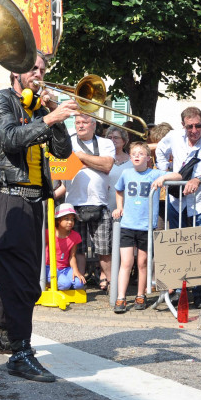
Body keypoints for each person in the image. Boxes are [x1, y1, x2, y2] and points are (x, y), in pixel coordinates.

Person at [0, 52, 78, 377]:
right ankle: (20, 352)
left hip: (35, 200)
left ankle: (1, 337)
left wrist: (55, 114)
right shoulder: (1, 100)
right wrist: (48, 120)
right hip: (11, 197)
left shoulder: (39, 107)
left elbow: (62, 152)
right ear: (15, 72)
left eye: (42, 69)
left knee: (17, 276)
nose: (38, 74)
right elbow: (9, 140)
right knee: (23, 280)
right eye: (32, 69)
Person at [112, 142, 181, 313]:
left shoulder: (154, 173)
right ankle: (121, 297)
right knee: (126, 262)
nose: (136, 156)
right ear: (130, 157)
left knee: (142, 263)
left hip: (146, 226)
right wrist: (119, 207)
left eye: (141, 154)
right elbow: (118, 190)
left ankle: (140, 295)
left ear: (148, 159)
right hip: (128, 224)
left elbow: (178, 176)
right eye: (134, 153)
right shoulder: (126, 173)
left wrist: (163, 178)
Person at [64, 114, 115, 291]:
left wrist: (80, 157)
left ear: (93, 125)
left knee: (104, 249)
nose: (80, 125)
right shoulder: (67, 140)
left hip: (99, 203)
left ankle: (113, 286)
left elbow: (107, 165)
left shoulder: (105, 143)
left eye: (84, 122)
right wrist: (94, 162)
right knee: (77, 249)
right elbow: (63, 167)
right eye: (77, 122)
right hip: (73, 204)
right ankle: (79, 285)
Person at [155, 107, 201, 228]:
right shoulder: (174, 136)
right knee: (177, 242)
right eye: (189, 127)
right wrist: (165, 172)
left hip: (200, 202)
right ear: (183, 125)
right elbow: (160, 150)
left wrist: (197, 180)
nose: (194, 130)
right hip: (176, 201)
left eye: (198, 126)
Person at [47, 203, 87, 291]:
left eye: (72, 219)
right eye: (66, 219)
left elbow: (72, 256)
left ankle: (63, 284)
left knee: (79, 284)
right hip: (48, 268)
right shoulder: (49, 233)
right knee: (65, 284)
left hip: (65, 268)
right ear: (58, 220)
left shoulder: (75, 236)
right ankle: (50, 283)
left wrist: (76, 270)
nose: (70, 222)